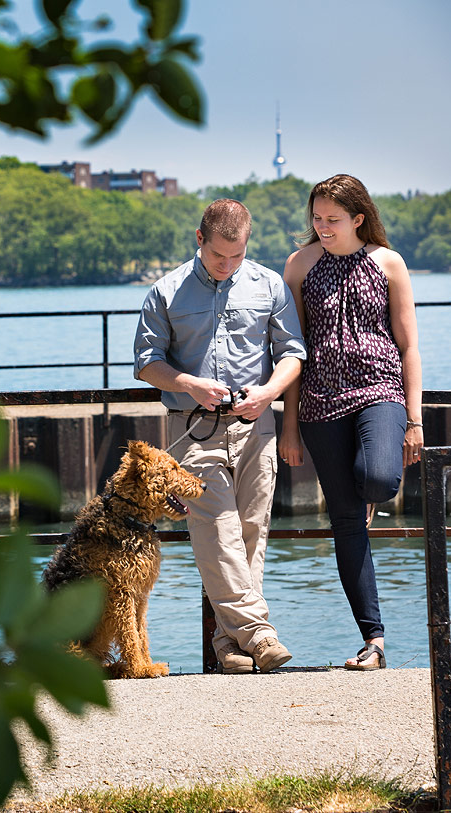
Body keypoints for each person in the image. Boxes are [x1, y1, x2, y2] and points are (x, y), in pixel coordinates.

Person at [134, 199, 307, 674]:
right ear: (199, 239)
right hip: (192, 430)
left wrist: (267, 392)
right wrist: (189, 383)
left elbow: (292, 353)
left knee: (251, 531)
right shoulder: (165, 291)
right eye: (218, 257)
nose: (228, 266)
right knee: (216, 530)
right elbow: (147, 362)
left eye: (237, 256)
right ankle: (259, 634)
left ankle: (228, 644)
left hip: (257, 425)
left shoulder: (269, 284)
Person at [278, 174, 423, 671]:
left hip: (380, 389)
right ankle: (374, 640)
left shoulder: (388, 263)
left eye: (332, 220)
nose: (322, 227)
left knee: (380, 478)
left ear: (358, 218)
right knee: (344, 521)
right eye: (316, 218)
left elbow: (408, 345)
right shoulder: (298, 266)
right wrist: (290, 427)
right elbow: (292, 354)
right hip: (320, 399)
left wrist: (415, 418)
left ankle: (367, 501)